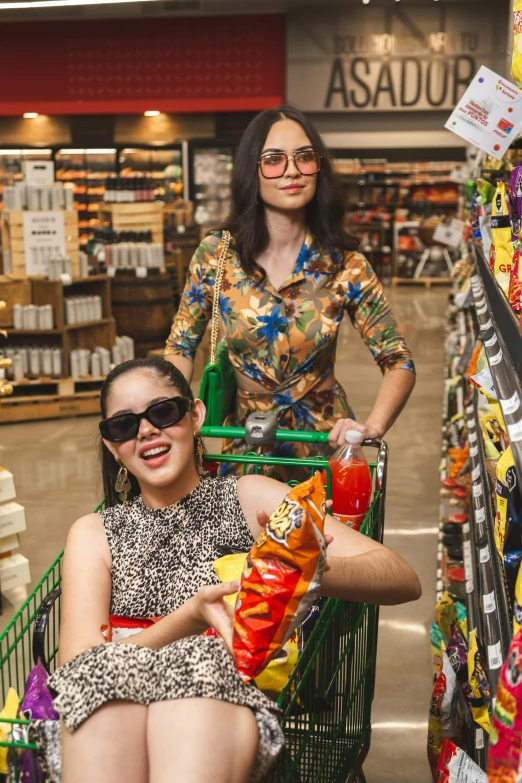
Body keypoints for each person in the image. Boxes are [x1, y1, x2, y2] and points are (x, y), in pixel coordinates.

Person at [48, 357, 421, 783]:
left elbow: (400, 577)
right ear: (113, 445)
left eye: (163, 412)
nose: (146, 431)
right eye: (123, 425)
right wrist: (188, 618)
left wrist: (295, 566)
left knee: (199, 669)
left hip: (216, 703)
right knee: (99, 700)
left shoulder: (247, 498)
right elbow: (81, 672)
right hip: (119, 706)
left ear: (195, 415)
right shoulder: (95, 533)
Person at [164, 105, 416, 477]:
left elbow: (398, 360)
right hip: (245, 447)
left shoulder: (346, 264)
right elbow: (180, 347)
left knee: (325, 536)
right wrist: (167, 411)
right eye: (273, 160)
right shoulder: (217, 256)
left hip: (326, 450)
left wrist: (370, 429)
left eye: (304, 157)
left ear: (319, 168)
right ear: (253, 170)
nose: (292, 170)